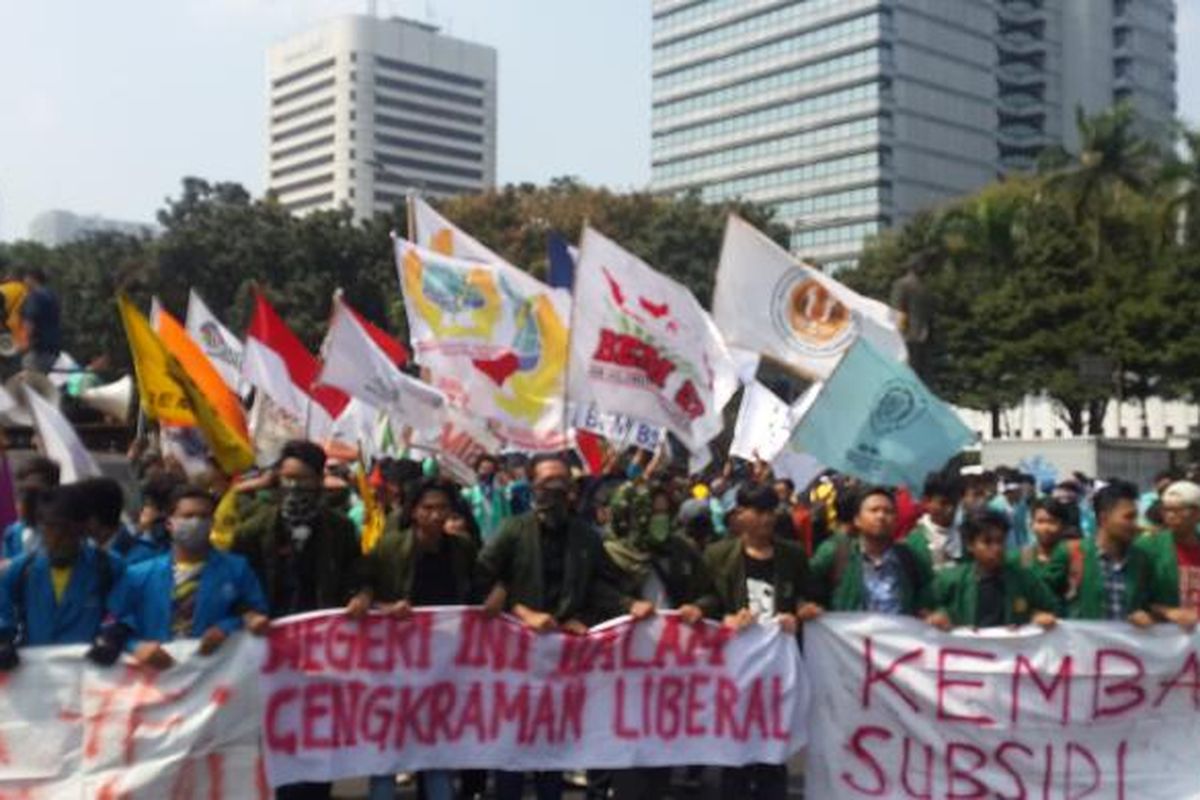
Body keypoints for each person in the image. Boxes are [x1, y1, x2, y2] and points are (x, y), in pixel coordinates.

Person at [476, 452, 624, 800]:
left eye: (561, 483)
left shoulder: (586, 537)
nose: (554, 490)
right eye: (546, 483)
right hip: (516, 656)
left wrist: (583, 619)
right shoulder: (514, 530)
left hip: (564, 659)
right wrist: (519, 609)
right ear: (532, 487)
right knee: (512, 746)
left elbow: (605, 588)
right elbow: (480, 578)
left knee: (553, 747)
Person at [232, 440, 371, 800]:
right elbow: (232, 586)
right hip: (269, 656)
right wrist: (248, 613)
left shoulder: (340, 530)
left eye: (303, 479)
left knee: (317, 738)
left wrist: (361, 596)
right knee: (273, 740)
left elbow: (357, 575)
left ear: (319, 481)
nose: (294, 487)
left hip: (322, 657)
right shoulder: (253, 530)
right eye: (287, 479)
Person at [366, 478, 478, 800]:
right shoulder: (390, 547)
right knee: (388, 747)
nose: (436, 515)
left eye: (442, 508)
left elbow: (477, 587)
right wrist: (385, 607)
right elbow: (363, 585)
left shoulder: (462, 548)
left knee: (436, 747)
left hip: (443, 662)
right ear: (413, 512)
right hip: (396, 661)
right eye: (427, 508)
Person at [701, 482, 807, 800]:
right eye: (758, 512)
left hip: (776, 672)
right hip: (735, 671)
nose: (766, 519)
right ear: (739, 515)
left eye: (771, 512)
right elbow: (704, 598)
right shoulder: (718, 555)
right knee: (735, 754)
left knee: (772, 754)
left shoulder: (792, 555)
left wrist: (798, 615)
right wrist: (725, 619)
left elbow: (809, 596)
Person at [106, 486, 270, 670]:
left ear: (212, 522)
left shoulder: (237, 569)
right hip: (155, 674)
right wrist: (135, 646)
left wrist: (227, 627)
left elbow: (257, 613)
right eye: (188, 516)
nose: (196, 522)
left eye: (203, 516)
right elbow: (111, 623)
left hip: (213, 675)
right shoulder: (138, 574)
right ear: (170, 524)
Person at [0, 487, 125, 668]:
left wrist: (113, 636)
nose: (61, 538)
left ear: (83, 528)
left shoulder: (109, 568)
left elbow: (124, 613)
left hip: (91, 679)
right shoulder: (20, 570)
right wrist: (3, 641)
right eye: (52, 528)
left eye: (69, 530)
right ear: (40, 527)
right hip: (35, 680)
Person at [802, 487, 933, 618]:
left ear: (896, 520)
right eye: (874, 510)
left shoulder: (909, 557)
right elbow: (803, 586)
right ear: (857, 520)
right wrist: (804, 607)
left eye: (888, 511)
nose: (881, 516)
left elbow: (931, 595)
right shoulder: (836, 553)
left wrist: (932, 614)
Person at [928, 510, 1058, 630]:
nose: (996, 548)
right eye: (987, 542)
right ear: (970, 545)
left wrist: (1036, 616)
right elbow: (923, 610)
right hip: (965, 652)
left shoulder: (1024, 579)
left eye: (1000, 541)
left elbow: (1053, 608)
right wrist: (938, 616)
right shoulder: (950, 580)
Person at [1053, 481, 1156, 625]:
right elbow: (1044, 599)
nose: (1135, 524)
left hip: (1126, 646)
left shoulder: (1142, 560)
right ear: (1104, 518)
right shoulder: (1071, 553)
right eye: (1129, 517)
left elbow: (1152, 602)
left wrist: (1147, 614)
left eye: (1136, 517)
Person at [1140, 480, 1200, 629]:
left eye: (1179, 510)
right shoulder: (1148, 547)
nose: (1171, 516)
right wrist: (1167, 611)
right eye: (1166, 510)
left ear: (1197, 513)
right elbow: (1135, 597)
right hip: (1168, 640)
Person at [74, 477, 157, 564]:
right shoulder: (81, 550)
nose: (74, 519)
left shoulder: (141, 558)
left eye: (79, 512)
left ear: (94, 519)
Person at [2, 456, 60, 560]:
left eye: (36, 495)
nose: (26, 503)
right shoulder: (12, 534)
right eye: (19, 495)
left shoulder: (67, 534)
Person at [905, 472, 965, 573]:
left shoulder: (966, 539)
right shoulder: (914, 543)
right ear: (927, 502)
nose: (950, 509)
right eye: (944, 503)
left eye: (954, 503)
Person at [1017, 497, 1073, 602]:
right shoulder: (1026, 554)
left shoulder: (1070, 554)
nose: (1045, 528)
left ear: (1063, 526)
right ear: (1031, 525)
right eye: (1040, 521)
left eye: (1052, 522)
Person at [18, 267, 61, 375]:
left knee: (30, 384)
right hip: (52, 348)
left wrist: (23, 345)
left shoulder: (34, 296)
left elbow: (29, 322)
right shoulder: (52, 296)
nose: (24, 281)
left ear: (32, 279)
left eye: (25, 278)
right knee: (42, 382)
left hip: (36, 350)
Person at [463, 454, 512, 543]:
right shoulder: (469, 492)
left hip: (498, 538)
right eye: (483, 468)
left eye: (489, 469)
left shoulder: (501, 492)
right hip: (477, 537)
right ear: (477, 469)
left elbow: (508, 515)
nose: (485, 472)